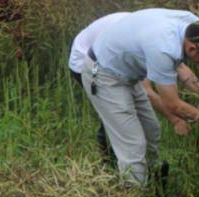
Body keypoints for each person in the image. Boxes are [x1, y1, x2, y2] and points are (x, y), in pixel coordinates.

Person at [81, 8, 199, 187]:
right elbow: (172, 105)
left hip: (128, 73)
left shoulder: (197, 27)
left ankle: (151, 186)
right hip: (104, 75)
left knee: (152, 131)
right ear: (192, 48)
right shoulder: (164, 49)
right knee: (133, 146)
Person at [68, 12, 192, 165]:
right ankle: (110, 165)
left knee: (140, 126)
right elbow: (148, 92)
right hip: (85, 61)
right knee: (119, 122)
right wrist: (176, 120)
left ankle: (146, 170)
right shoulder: (145, 40)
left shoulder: (159, 35)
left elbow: (181, 69)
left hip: (114, 63)